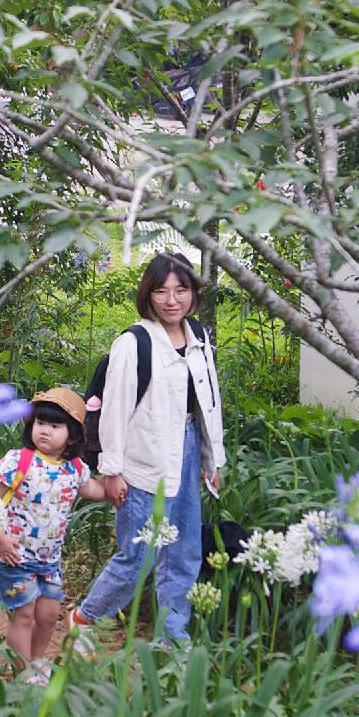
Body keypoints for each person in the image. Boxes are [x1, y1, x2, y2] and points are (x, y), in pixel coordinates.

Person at [69, 252, 226, 643]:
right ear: (148, 295)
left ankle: (173, 639)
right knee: (140, 555)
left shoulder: (199, 338)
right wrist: (112, 470)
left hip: (188, 451)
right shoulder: (133, 343)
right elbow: (115, 411)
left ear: (193, 293)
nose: (172, 300)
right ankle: (86, 618)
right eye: (161, 291)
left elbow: (208, 404)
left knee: (184, 551)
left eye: (181, 290)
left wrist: (211, 459)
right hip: (143, 458)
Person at [0, 387, 108, 684]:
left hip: (49, 560)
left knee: (49, 615)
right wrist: (0, 537)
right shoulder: (18, 461)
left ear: (73, 435)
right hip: (12, 556)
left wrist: (116, 485)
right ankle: (23, 673)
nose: (45, 431)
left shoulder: (74, 468)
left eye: (55, 426)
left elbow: (93, 490)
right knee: (24, 616)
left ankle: (38, 661)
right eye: (40, 423)